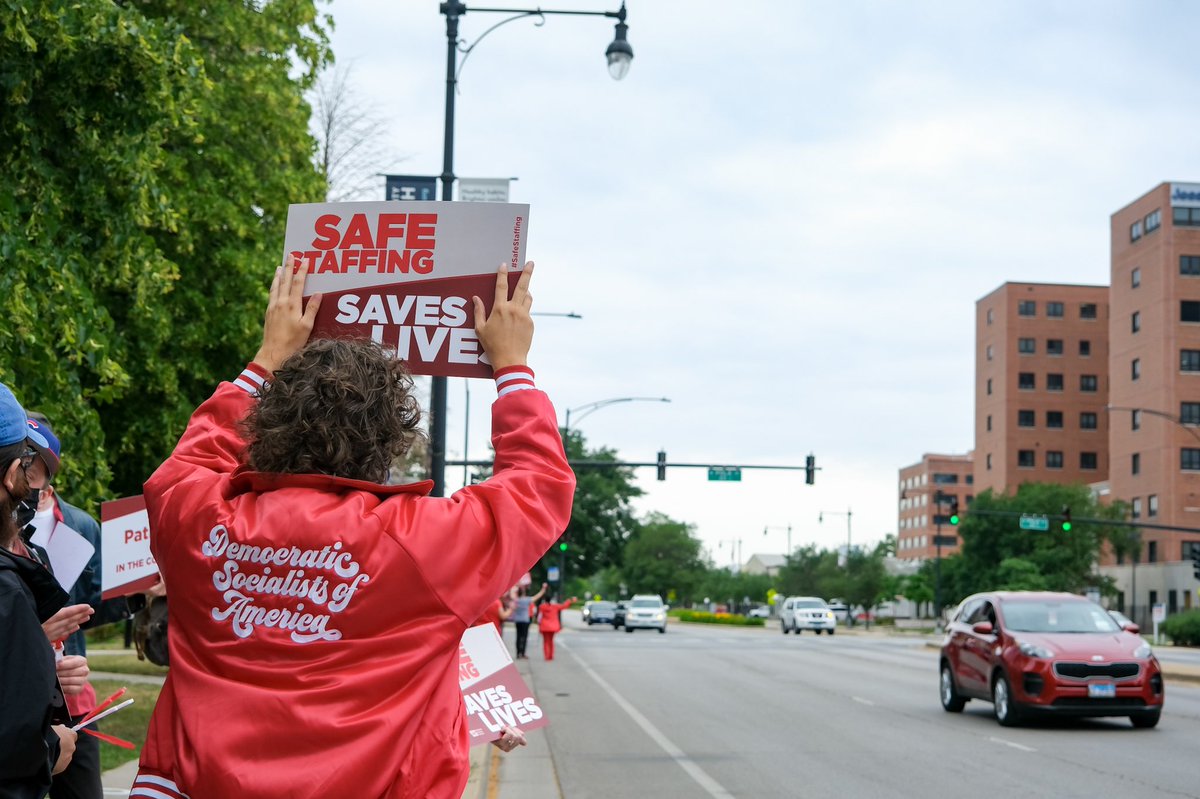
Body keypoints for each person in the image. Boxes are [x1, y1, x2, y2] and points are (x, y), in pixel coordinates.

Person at [131, 260, 575, 799]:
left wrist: (265, 359)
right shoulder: (422, 541)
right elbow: (538, 486)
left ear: (264, 424)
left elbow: (191, 460)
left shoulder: (195, 519)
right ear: (390, 440)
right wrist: (512, 368)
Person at [0, 382, 78, 797]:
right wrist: (52, 747)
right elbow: (14, 745)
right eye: (26, 468)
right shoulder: (7, 591)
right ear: (13, 473)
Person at [25, 416, 106, 799]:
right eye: (18, 458)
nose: (25, 471)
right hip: (18, 705)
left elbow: (97, 604)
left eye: (34, 464)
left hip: (71, 697)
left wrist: (138, 593)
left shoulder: (79, 526)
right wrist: (36, 644)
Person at [510, 582, 548, 660]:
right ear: (524, 592)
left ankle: (518, 653)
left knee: (518, 636)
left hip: (517, 620)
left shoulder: (516, 600)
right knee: (524, 637)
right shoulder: (527, 600)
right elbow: (538, 596)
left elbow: (511, 593)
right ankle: (523, 653)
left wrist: (515, 585)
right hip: (525, 621)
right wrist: (543, 589)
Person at [536, 594, 577, 661]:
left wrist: (539, 624)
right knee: (551, 641)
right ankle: (551, 656)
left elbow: (539, 617)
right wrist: (569, 600)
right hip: (553, 627)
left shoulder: (542, 607)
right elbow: (564, 606)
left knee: (545, 641)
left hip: (544, 626)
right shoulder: (555, 606)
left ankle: (546, 656)